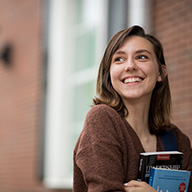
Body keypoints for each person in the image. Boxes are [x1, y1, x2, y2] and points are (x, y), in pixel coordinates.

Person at [73, 25, 192, 192]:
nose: (130, 66)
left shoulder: (179, 141)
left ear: (160, 73)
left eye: (142, 57)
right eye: (119, 59)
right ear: (109, 75)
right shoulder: (102, 119)